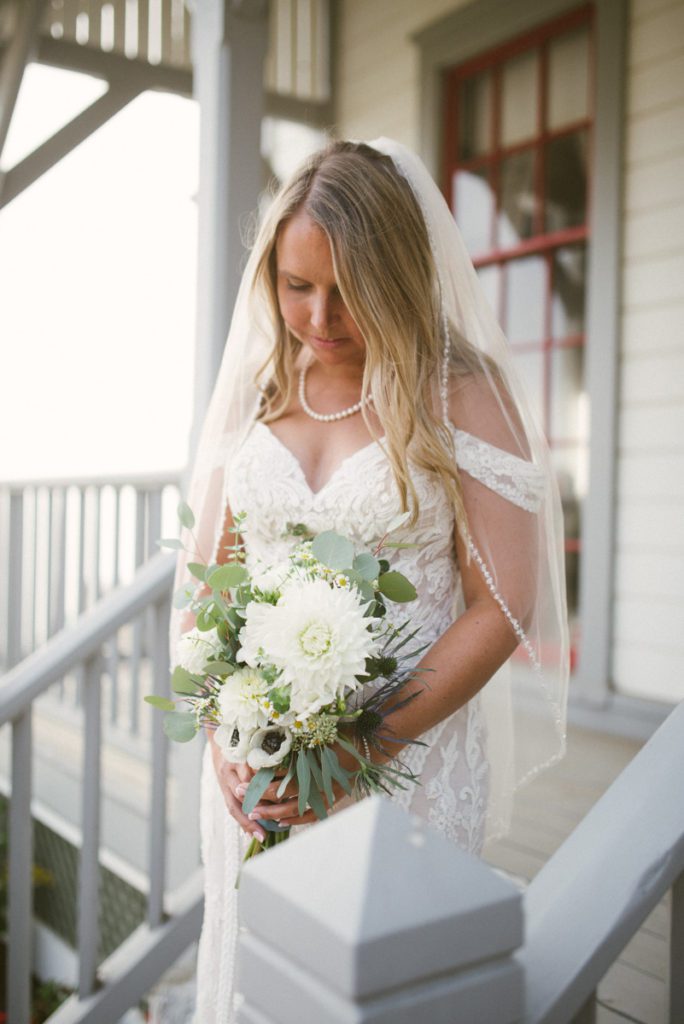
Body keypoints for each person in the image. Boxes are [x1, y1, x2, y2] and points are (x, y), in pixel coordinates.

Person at [169, 138, 569, 1023]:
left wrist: (364, 745)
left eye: (345, 288)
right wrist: (222, 735)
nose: (318, 316)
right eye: (296, 283)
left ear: (395, 271)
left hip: (403, 764)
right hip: (258, 773)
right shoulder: (262, 388)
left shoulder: (459, 391)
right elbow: (211, 585)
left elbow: (503, 603)